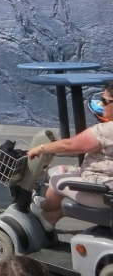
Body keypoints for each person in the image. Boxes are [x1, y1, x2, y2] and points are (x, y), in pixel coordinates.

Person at [27, 79, 113, 226]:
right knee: (70, 173)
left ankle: (42, 210)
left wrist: (41, 148)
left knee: (56, 182)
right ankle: (51, 219)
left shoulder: (106, 131)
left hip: (104, 192)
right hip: (106, 184)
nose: (102, 105)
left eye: (105, 101)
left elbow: (69, 145)